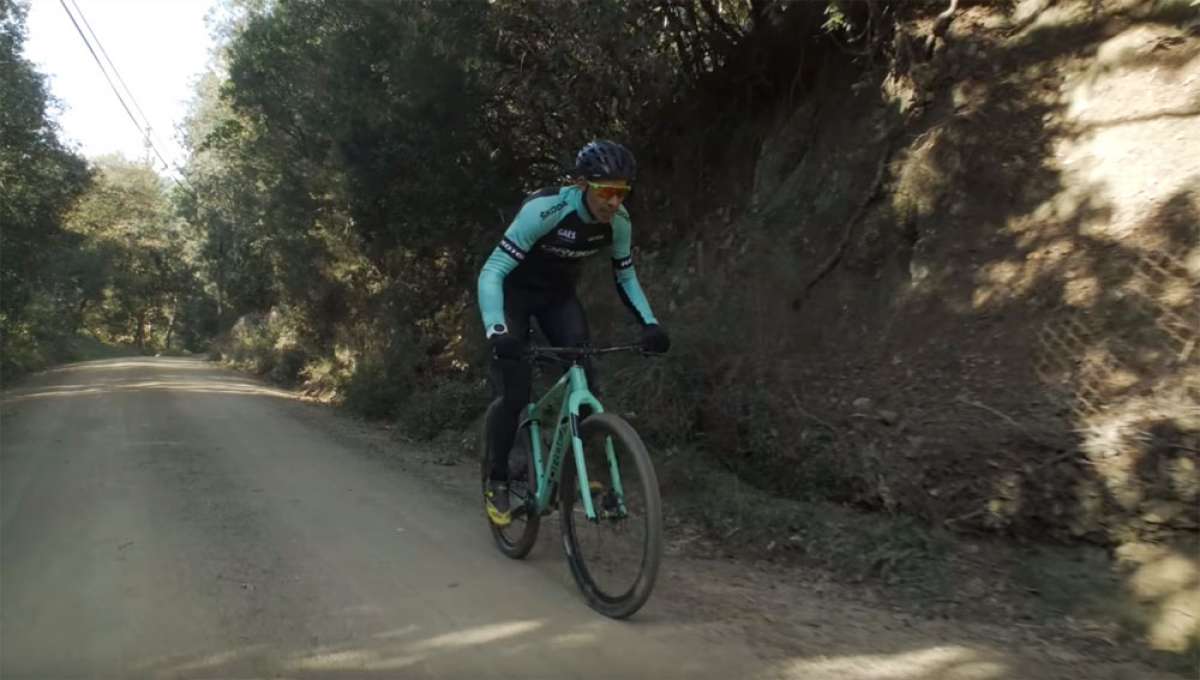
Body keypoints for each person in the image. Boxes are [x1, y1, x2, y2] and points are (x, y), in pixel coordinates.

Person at [476, 140, 670, 526]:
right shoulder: (546, 211)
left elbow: (626, 275)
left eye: (622, 192)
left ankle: (575, 471)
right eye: (606, 192)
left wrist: (650, 323)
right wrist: (497, 331)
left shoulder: (619, 223)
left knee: (586, 386)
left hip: (557, 299)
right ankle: (497, 478)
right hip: (512, 296)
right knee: (513, 394)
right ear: (583, 185)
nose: (614, 202)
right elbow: (492, 271)